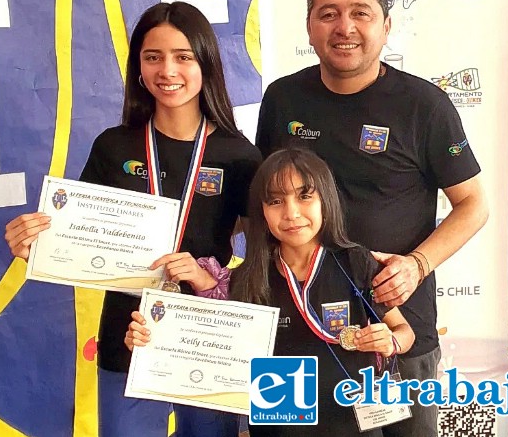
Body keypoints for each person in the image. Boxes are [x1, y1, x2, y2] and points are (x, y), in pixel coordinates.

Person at [4, 1, 262, 437]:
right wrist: (34, 244)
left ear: (206, 64)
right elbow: (78, 240)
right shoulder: (114, 146)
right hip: (130, 333)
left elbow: (268, 260)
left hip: (208, 338)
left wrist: (206, 279)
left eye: (183, 56)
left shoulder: (238, 155)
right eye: (153, 56)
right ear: (138, 68)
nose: (168, 70)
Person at [255, 0, 489, 437]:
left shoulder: (425, 106)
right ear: (309, 26)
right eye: (329, 14)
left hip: (397, 330)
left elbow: (473, 205)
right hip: (299, 333)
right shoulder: (283, 99)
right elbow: (260, 199)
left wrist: (417, 265)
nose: (344, 27)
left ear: (385, 25)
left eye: (360, 13)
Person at [128, 147, 415, 436]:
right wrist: (150, 342)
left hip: (352, 427)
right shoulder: (247, 279)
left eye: (305, 196)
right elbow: (203, 346)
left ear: (325, 199)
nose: (291, 213)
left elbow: (405, 332)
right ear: (262, 211)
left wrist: (390, 341)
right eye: (276, 201)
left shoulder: (355, 262)